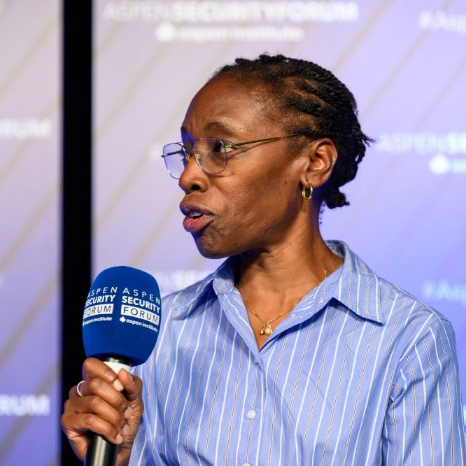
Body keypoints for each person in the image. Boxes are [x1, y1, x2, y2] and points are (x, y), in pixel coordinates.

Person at [61, 54, 465, 465]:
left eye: (220, 148)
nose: (188, 176)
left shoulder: (407, 337)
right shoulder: (163, 331)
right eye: (187, 152)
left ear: (315, 163)